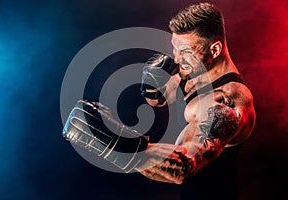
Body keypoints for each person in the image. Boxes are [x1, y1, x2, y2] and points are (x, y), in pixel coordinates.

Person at [62, 2, 256, 200]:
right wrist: (152, 86)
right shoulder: (192, 72)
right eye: (175, 49)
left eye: (186, 52)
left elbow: (183, 166)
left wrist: (115, 142)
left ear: (214, 50)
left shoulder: (227, 100)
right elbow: (158, 100)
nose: (177, 60)